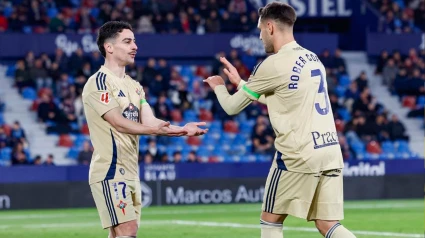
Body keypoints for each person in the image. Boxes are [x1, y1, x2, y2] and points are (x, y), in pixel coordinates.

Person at [203, 2, 355, 238]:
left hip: (297, 154)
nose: (261, 35)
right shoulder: (312, 58)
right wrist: (242, 84)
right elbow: (283, 99)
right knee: (328, 224)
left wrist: (219, 87)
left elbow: (232, 107)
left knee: (270, 220)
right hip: (329, 149)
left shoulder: (271, 64)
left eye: (261, 29)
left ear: (270, 27)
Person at [82, 21, 208, 238]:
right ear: (109, 47)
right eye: (128, 41)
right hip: (110, 170)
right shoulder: (99, 83)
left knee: (120, 234)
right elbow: (118, 122)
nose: (135, 46)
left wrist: (181, 130)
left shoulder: (134, 86)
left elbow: (151, 122)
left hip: (132, 171)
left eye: (135, 41)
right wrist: (154, 131)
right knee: (128, 231)